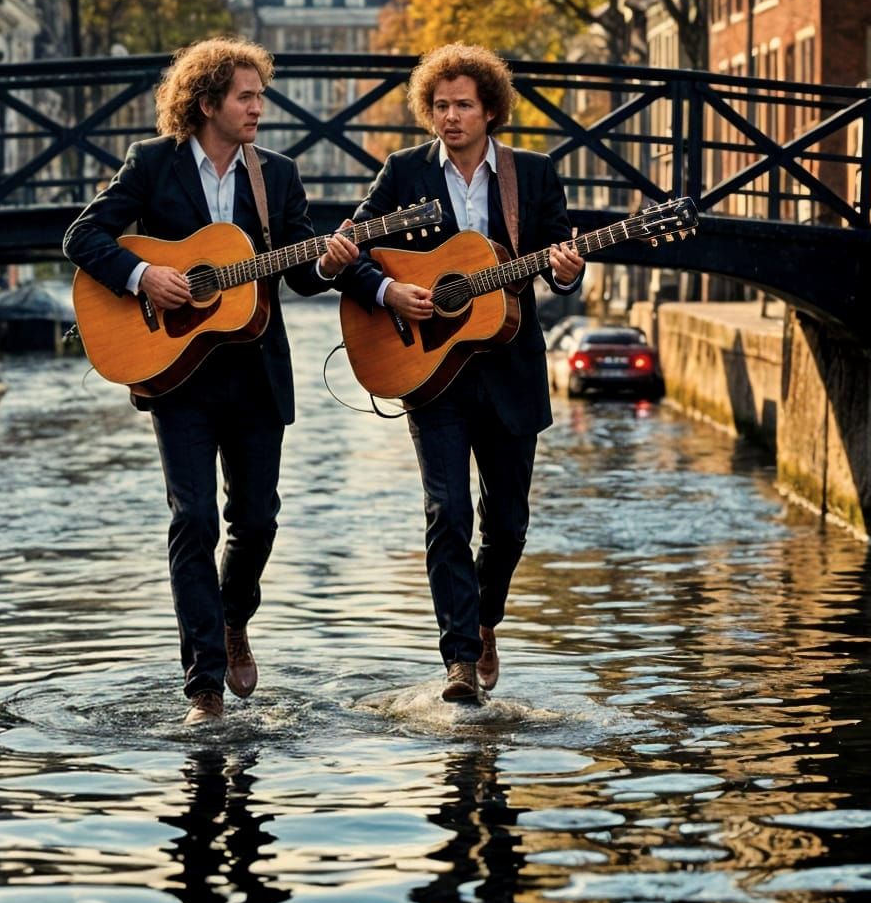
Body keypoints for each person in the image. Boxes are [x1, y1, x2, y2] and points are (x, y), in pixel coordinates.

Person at [62, 38, 357, 725]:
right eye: (246, 97)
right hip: (176, 374)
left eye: (260, 95)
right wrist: (145, 276)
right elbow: (83, 236)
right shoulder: (152, 164)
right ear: (207, 104)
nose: (260, 107)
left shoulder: (276, 175)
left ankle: (233, 619)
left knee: (255, 521)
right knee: (191, 518)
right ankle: (204, 686)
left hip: (255, 374)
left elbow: (302, 274)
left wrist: (337, 258)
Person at [337, 43, 583, 705]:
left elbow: (561, 254)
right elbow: (349, 251)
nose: (449, 117)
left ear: (491, 110)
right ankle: (459, 662)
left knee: (508, 525)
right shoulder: (403, 172)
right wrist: (389, 294)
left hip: (510, 370)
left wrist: (567, 270)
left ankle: (483, 618)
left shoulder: (532, 175)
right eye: (439, 105)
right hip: (432, 372)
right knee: (447, 511)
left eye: (463, 105)